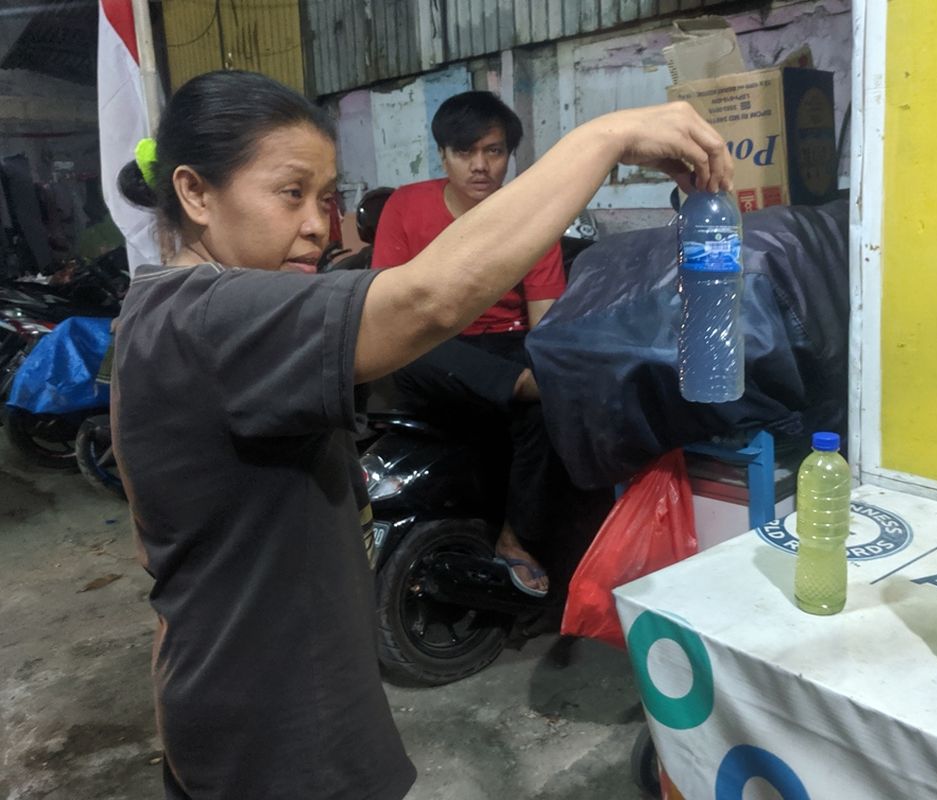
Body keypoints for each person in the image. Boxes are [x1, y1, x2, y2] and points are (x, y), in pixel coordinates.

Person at [111, 68, 730, 799]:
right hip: (280, 747)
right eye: (290, 193)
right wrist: (609, 135)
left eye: (327, 198)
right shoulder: (207, 315)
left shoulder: (160, 315)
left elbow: (171, 586)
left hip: (230, 723)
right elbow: (429, 298)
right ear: (194, 193)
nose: (319, 224)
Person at [371, 91, 562, 597]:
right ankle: (525, 386)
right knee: (413, 345)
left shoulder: (532, 217)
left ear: (508, 156)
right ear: (443, 156)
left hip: (507, 344)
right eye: (465, 153)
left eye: (494, 152)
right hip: (433, 345)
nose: (480, 166)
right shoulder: (406, 206)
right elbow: (390, 307)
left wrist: (554, 364)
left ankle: (516, 539)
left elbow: (544, 323)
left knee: (551, 392)